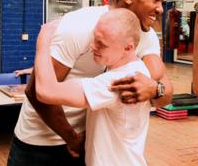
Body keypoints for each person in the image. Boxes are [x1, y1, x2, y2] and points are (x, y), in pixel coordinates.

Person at [8, 0, 173, 166]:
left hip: (87, 141)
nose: (160, 9)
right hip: (41, 142)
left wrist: (156, 89)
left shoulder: (145, 36)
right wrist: (72, 138)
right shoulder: (79, 26)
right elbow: (36, 91)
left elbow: (165, 92)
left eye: (161, 2)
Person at [36, 9, 152, 166]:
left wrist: (43, 41)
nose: (92, 46)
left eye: (101, 44)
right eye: (94, 38)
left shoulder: (117, 82)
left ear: (128, 48)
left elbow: (46, 91)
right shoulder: (137, 69)